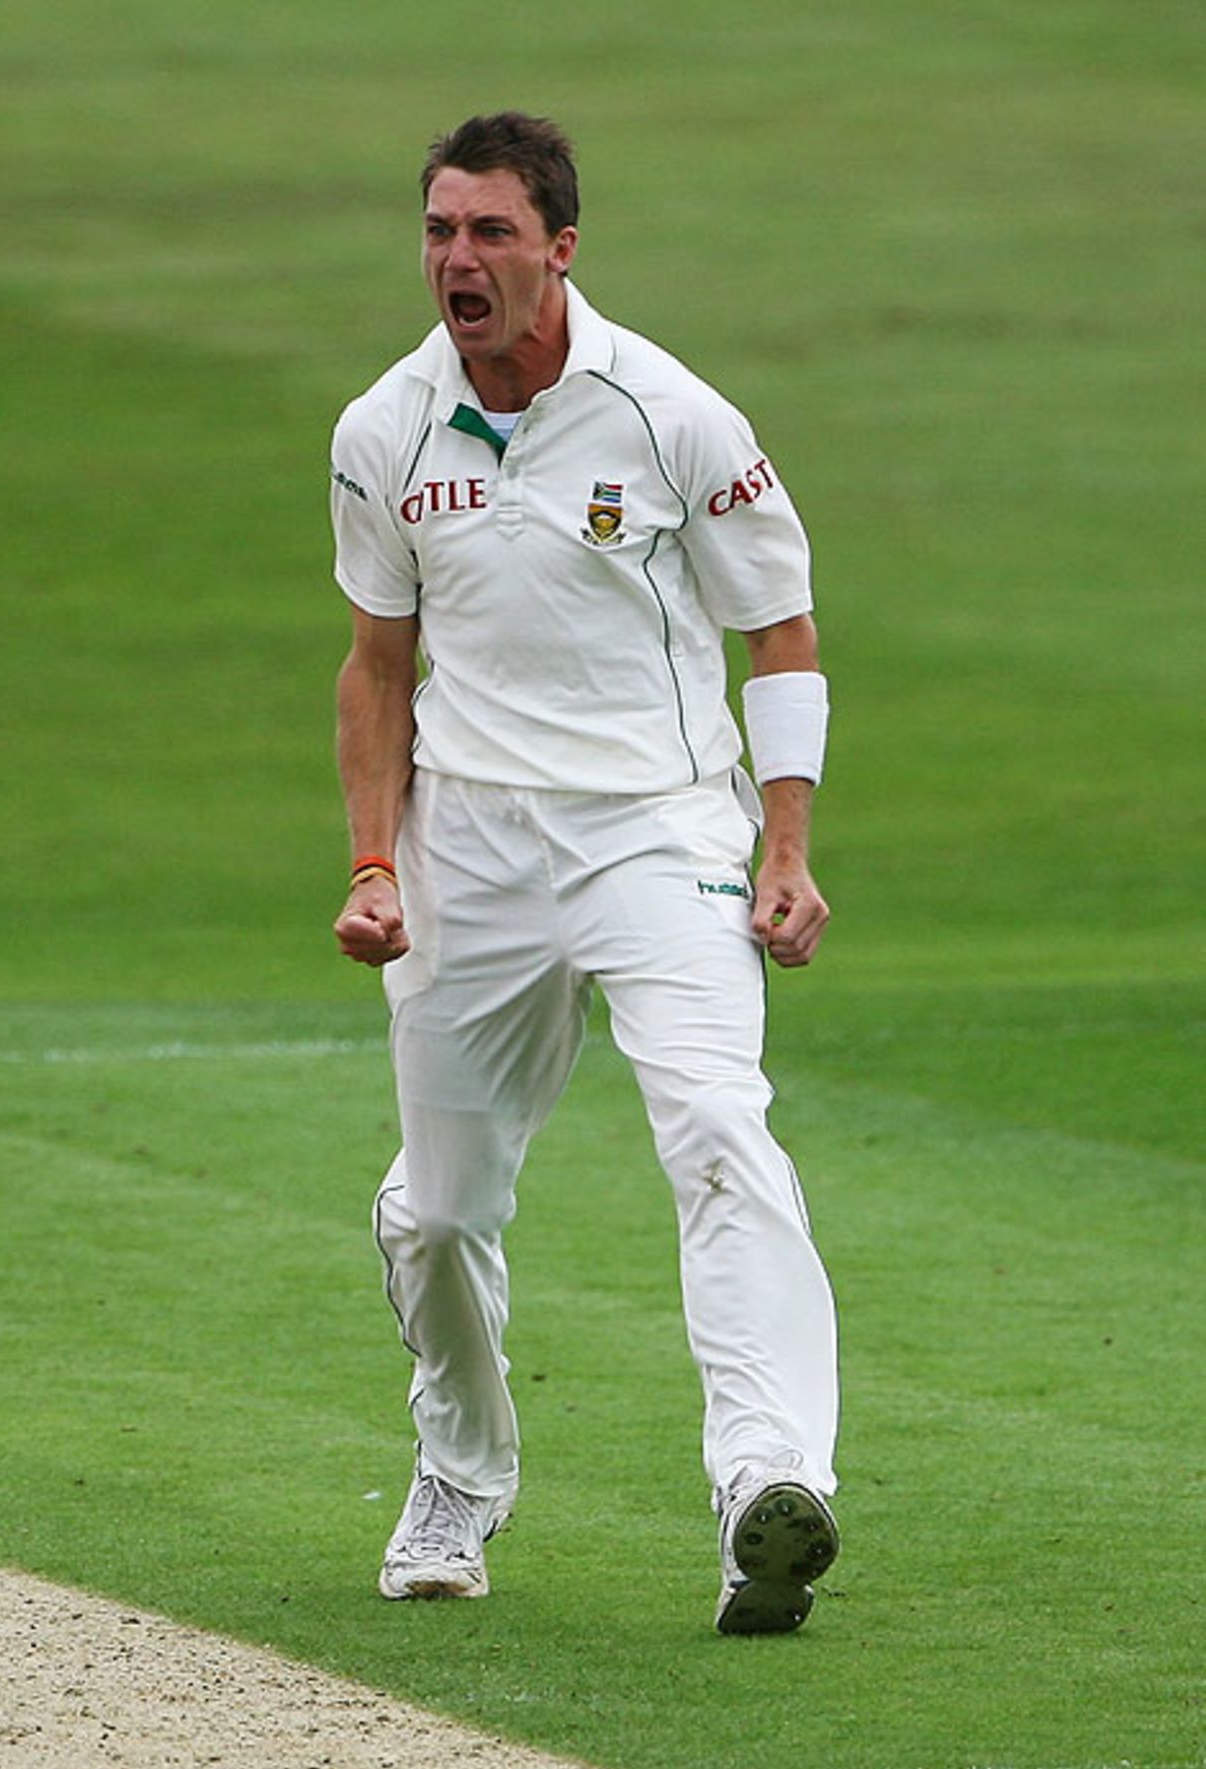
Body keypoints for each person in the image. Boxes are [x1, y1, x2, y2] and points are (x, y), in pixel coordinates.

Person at [329, 112, 840, 1636]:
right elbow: (374, 669)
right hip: (468, 839)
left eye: (490, 233)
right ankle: (462, 1470)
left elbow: (781, 631)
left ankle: (767, 1486)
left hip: (659, 830)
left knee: (717, 1127)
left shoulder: (670, 410)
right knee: (437, 1211)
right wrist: (371, 857)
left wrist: (789, 844)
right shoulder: (384, 429)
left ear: (560, 248)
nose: (458, 261)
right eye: (438, 231)